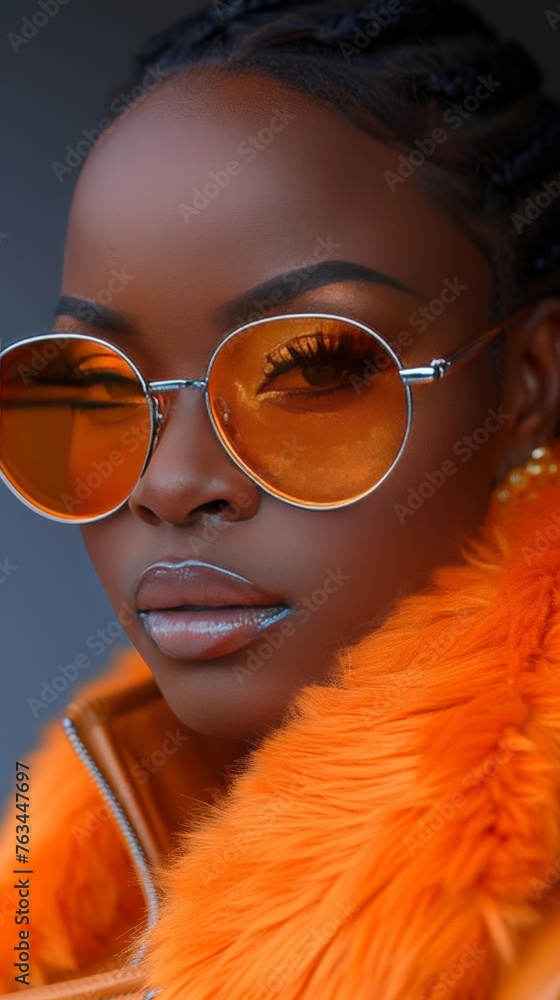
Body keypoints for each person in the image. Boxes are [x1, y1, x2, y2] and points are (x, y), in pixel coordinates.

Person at [1, 0, 560, 996]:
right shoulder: (48, 916)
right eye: (94, 384)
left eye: (308, 366)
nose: (170, 482)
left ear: (524, 383)